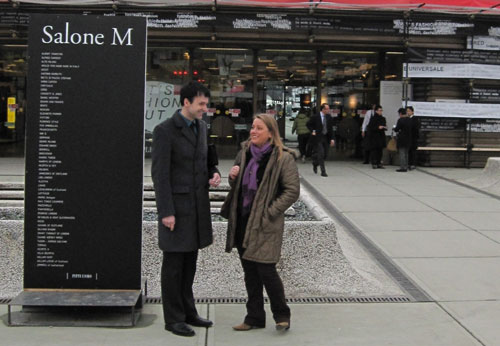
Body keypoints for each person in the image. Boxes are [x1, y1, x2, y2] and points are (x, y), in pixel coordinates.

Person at [151, 81, 221, 337]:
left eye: (206, 103)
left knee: (190, 263)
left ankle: (189, 311)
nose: (205, 108)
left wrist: (214, 173)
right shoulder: (165, 131)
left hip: (197, 209)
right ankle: (174, 319)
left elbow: (206, 161)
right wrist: (166, 211)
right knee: (173, 266)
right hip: (177, 211)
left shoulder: (201, 128)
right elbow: (160, 175)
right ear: (186, 103)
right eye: (201, 104)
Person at [221, 113, 300, 332]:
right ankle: (254, 317)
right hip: (243, 220)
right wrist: (233, 176)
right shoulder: (244, 153)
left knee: (266, 271)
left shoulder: (283, 158)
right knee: (250, 273)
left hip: (265, 224)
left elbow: (292, 190)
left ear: (271, 133)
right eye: (252, 127)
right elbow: (236, 186)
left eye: (259, 128)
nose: (253, 131)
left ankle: (282, 314)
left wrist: (270, 212)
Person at [306, 103, 335, 177]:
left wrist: (332, 139)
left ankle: (315, 163)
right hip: (318, 137)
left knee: (325, 155)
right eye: (327, 109)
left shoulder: (329, 117)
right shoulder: (316, 117)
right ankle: (323, 171)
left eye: (329, 108)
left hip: (326, 137)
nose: (328, 110)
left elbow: (331, 129)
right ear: (323, 109)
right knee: (321, 153)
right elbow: (308, 124)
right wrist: (312, 131)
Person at [366, 105, 387, 169]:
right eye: (379, 110)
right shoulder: (373, 119)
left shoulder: (383, 118)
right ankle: (374, 163)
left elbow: (384, 125)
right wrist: (377, 127)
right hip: (374, 136)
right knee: (374, 150)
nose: (381, 112)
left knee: (380, 151)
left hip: (381, 136)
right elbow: (370, 127)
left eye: (381, 110)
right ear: (376, 111)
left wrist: (384, 127)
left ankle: (379, 163)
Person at [394, 108, 412, 172]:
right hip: (409, 138)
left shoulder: (400, 120)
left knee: (402, 153)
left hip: (402, 138)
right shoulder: (410, 120)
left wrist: (394, 128)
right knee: (406, 153)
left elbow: (397, 129)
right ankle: (406, 166)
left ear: (400, 114)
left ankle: (402, 167)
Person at [406, 106, 420, 170]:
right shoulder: (406, 119)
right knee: (409, 151)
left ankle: (413, 164)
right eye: (407, 111)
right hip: (408, 138)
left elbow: (416, 128)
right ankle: (409, 163)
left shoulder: (415, 119)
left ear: (412, 112)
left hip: (413, 138)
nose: (407, 112)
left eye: (409, 111)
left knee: (413, 151)